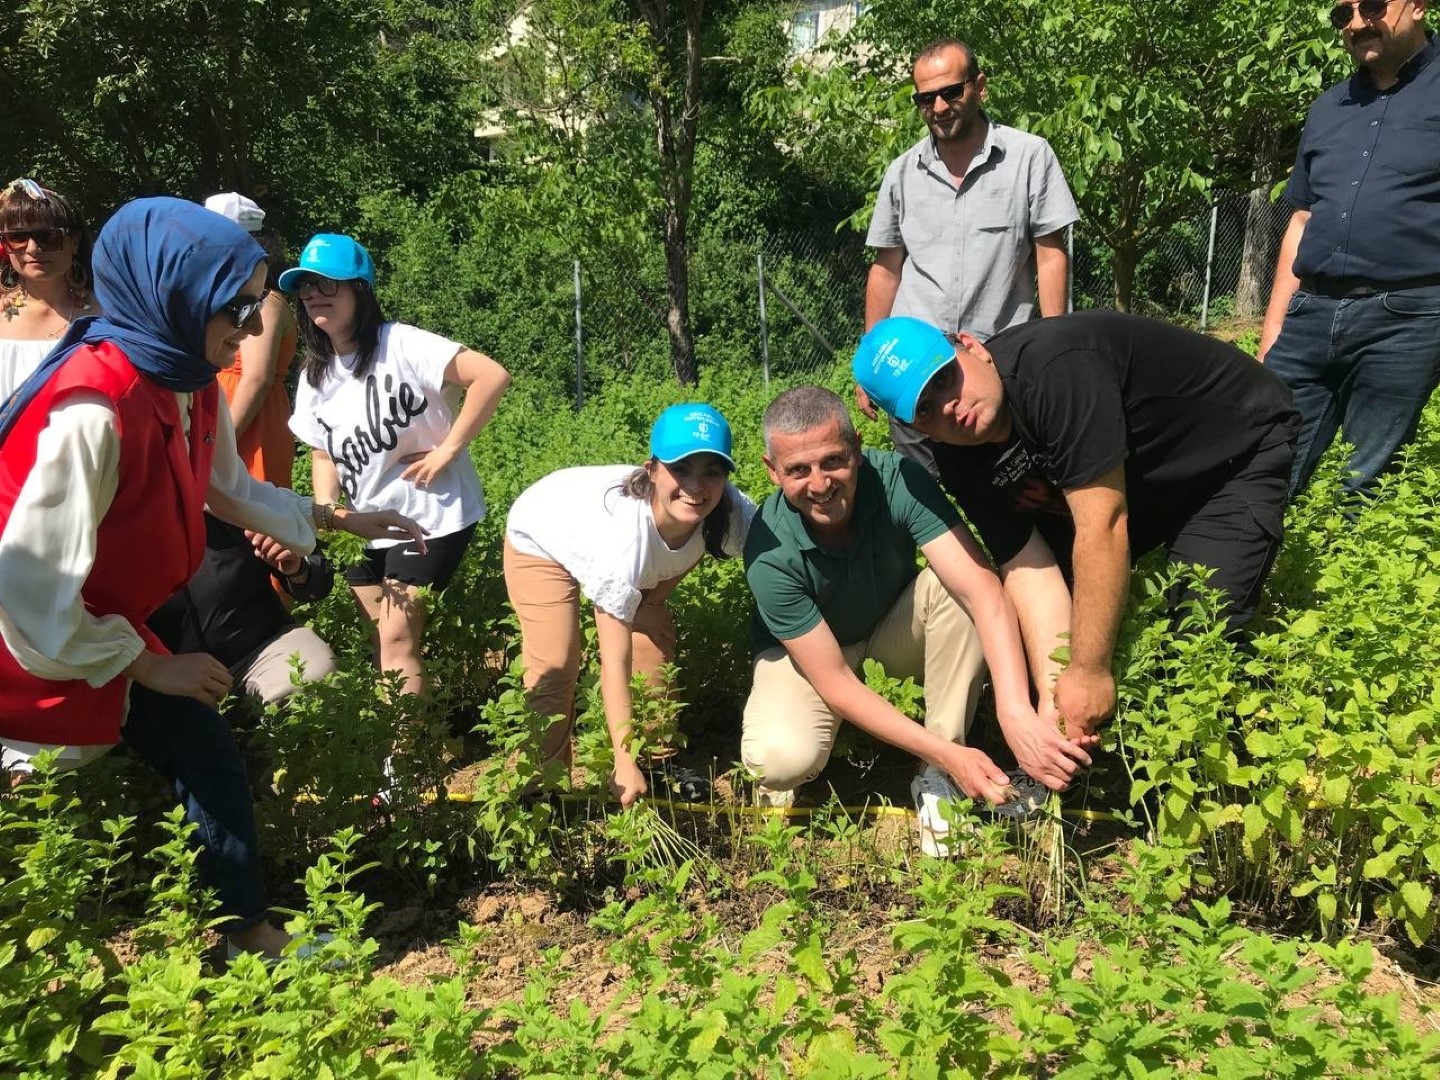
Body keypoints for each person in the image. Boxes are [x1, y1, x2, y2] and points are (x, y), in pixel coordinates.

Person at [0, 197, 425, 959]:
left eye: (255, 302)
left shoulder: (183, 375)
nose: (255, 327)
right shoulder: (95, 408)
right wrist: (150, 666)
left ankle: (245, 935)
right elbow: (26, 592)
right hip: (32, 639)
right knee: (32, 781)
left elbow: (226, 486)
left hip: (112, 620)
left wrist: (335, 519)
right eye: (236, 305)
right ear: (171, 295)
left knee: (206, 754)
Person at [852, 312, 1300, 741]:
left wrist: (1089, 671)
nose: (949, 406)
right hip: (1132, 481)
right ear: (912, 428)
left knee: (1199, 626)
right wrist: (1056, 697)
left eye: (945, 377)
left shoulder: (1054, 370)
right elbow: (1028, 565)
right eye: (925, 409)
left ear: (971, 347)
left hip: (1230, 452)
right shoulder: (957, 456)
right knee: (1058, 645)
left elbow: (1103, 525)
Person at [741, 387, 1096, 854]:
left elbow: (984, 591)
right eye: (798, 470)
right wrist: (952, 753)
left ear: (857, 449)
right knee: (780, 760)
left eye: (833, 461)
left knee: (960, 589)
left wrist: (1017, 713)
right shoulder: (769, 552)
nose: (820, 483)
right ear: (772, 471)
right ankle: (944, 756)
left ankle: (936, 777)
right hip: (808, 659)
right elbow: (837, 681)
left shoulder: (899, 481)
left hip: (891, 628)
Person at [284, 233, 510, 698]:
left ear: (359, 290)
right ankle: (412, 737)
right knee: (380, 640)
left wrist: (448, 449)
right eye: (306, 286)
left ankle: (405, 768)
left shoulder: (401, 343)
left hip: (430, 516)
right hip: (369, 522)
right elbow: (322, 452)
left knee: (396, 637)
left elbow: (490, 375)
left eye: (328, 284)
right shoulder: (315, 374)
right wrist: (329, 511)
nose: (313, 295)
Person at [504, 404, 756, 806]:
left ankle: (657, 762)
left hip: (628, 555)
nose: (696, 485)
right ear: (652, 469)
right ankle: (541, 783)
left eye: (712, 470)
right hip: (544, 536)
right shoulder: (623, 536)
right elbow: (613, 660)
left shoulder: (729, 509)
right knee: (557, 662)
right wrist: (621, 760)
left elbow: (781, 547)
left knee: (651, 630)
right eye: (681, 468)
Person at [863, 38, 1079, 476]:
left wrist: (1056, 347)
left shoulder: (1029, 157)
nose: (939, 107)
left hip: (994, 370)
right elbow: (886, 270)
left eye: (951, 92)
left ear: (979, 86)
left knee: (1016, 490)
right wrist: (873, 361)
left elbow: (1051, 255)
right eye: (926, 98)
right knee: (927, 505)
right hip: (914, 373)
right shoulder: (901, 173)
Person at [1258, 1, 1440, 500]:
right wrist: (1273, 329)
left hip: (1407, 318)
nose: (1358, 23)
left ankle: (1348, 575)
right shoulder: (1328, 107)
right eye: (1344, 15)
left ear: (1418, 7)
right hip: (1309, 313)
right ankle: (1260, 575)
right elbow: (1301, 217)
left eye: (1374, 7)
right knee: (1263, 459)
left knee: (1363, 482)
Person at [148, 513, 337, 709]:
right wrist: (152, 667)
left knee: (311, 675)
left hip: (261, 650)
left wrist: (299, 568)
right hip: (165, 674)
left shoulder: (229, 503)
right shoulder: (120, 536)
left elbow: (319, 575)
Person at [203, 192, 298, 488]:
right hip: (215, 417)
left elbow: (257, 379)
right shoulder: (218, 298)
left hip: (249, 425)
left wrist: (217, 448)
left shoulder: (267, 303)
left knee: (252, 523)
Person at [0, 179, 97, 400]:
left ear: (74, 242)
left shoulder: (106, 312)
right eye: (17, 238)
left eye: (47, 237)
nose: (33, 249)